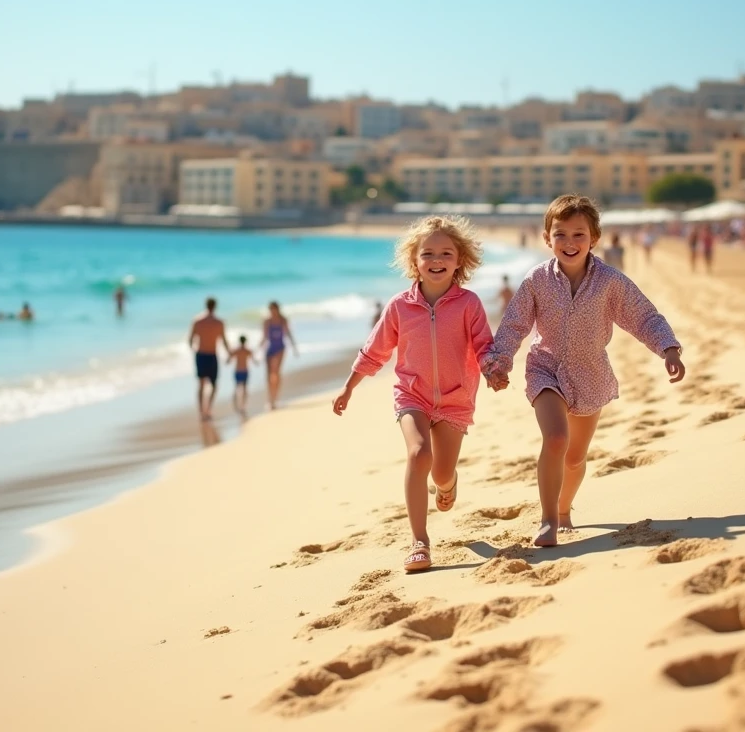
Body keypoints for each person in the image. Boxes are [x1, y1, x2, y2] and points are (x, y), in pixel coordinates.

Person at [484, 194, 685, 548]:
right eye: (560, 234)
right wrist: (499, 363)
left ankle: (563, 511)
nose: (570, 243)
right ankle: (547, 520)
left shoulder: (609, 281)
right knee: (556, 439)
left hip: (590, 373)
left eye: (579, 234)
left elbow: (642, 315)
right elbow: (514, 325)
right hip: (545, 369)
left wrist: (668, 347)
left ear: (594, 238)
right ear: (547, 239)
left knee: (575, 458)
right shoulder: (536, 281)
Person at [332, 215, 495, 572]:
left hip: (455, 398)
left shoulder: (469, 304)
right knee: (419, 453)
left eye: (446, 254)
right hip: (412, 395)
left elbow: (484, 345)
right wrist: (349, 387)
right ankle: (419, 541)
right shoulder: (399, 306)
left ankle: (448, 484)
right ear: (414, 261)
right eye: (428, 254)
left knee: (440, 473)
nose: (437, 261)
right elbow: (375, 350)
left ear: (460, 260)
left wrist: (492, 370)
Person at [189, 297, 230, 420]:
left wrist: (193, 350)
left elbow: (190, 340)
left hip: (200, 355)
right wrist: (229, 353)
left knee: (201, 385)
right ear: (215, 306)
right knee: (214, 385)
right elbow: (224, 340)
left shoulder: (197, 321)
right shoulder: (219, 323)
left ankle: (202, 411)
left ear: (205, 305)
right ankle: (208, 408)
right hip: (212, 355)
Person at [261, 300, 297, 411]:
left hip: (280, 348)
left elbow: (288, 333)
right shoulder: (267, 321)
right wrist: (258, 350)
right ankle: (270, 400)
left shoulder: (283, 320)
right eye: (270, 310)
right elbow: (264, 337)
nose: (272, 312)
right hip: (270, 348)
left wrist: (294, 346)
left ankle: (275, 398)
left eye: (273, 309)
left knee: (276, 373)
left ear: (277, 309)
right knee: (268, 375)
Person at [228, 335, 257, 419]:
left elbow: (229, 359)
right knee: (244, 388)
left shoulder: (237, 351)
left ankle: (238, 405)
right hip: (244, 371)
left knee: (237, 388)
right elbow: (254, 360)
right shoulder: (247, 351)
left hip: (238, 371)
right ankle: (242, 406)